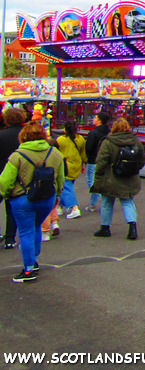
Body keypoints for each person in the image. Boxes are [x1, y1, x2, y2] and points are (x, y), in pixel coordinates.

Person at [0, 121, 66, 282]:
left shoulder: (17, 156)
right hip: (47, 198)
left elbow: (5, 182)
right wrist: (57, 195)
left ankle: (28, 270)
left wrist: (6, 194)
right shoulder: (55, 153)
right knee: (36, 228)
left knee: (26, 232)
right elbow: (60, 179)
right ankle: (34, 261)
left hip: (22, 199)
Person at [91, 118, 145, 240]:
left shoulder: (108, 142)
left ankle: (105, 228)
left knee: (106, 203)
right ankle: (132, 228)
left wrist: (99, 175)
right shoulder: (135, 141)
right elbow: (141, 159)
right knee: (128, 202)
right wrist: (134, 169)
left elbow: (101, 161)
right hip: (130, 177)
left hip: (111, 177)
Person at [0, 108, 26, 249]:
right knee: (11, 207)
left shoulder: (2, 135)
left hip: (1, 173)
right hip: (20, 175)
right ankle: (10, 238)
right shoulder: (25, 135)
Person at [56, 120, 88, 220]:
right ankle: (59, 206)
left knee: (66, 187)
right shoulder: (81, 139)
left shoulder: (60, 140)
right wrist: (83, 164)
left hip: (65, 165)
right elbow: (83, 153)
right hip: (76, 164)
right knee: (67, 185)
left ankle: (74, 208)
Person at [84, 112, 110, 212]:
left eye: (95, 118)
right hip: (105, 160)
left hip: (93, 160)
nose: (93, 119)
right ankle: (92, 204)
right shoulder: (108, 132)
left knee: (92, 182)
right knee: (98, 181)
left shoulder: (93, 133)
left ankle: (104, 200)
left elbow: (89, 148)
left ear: (99, 121)